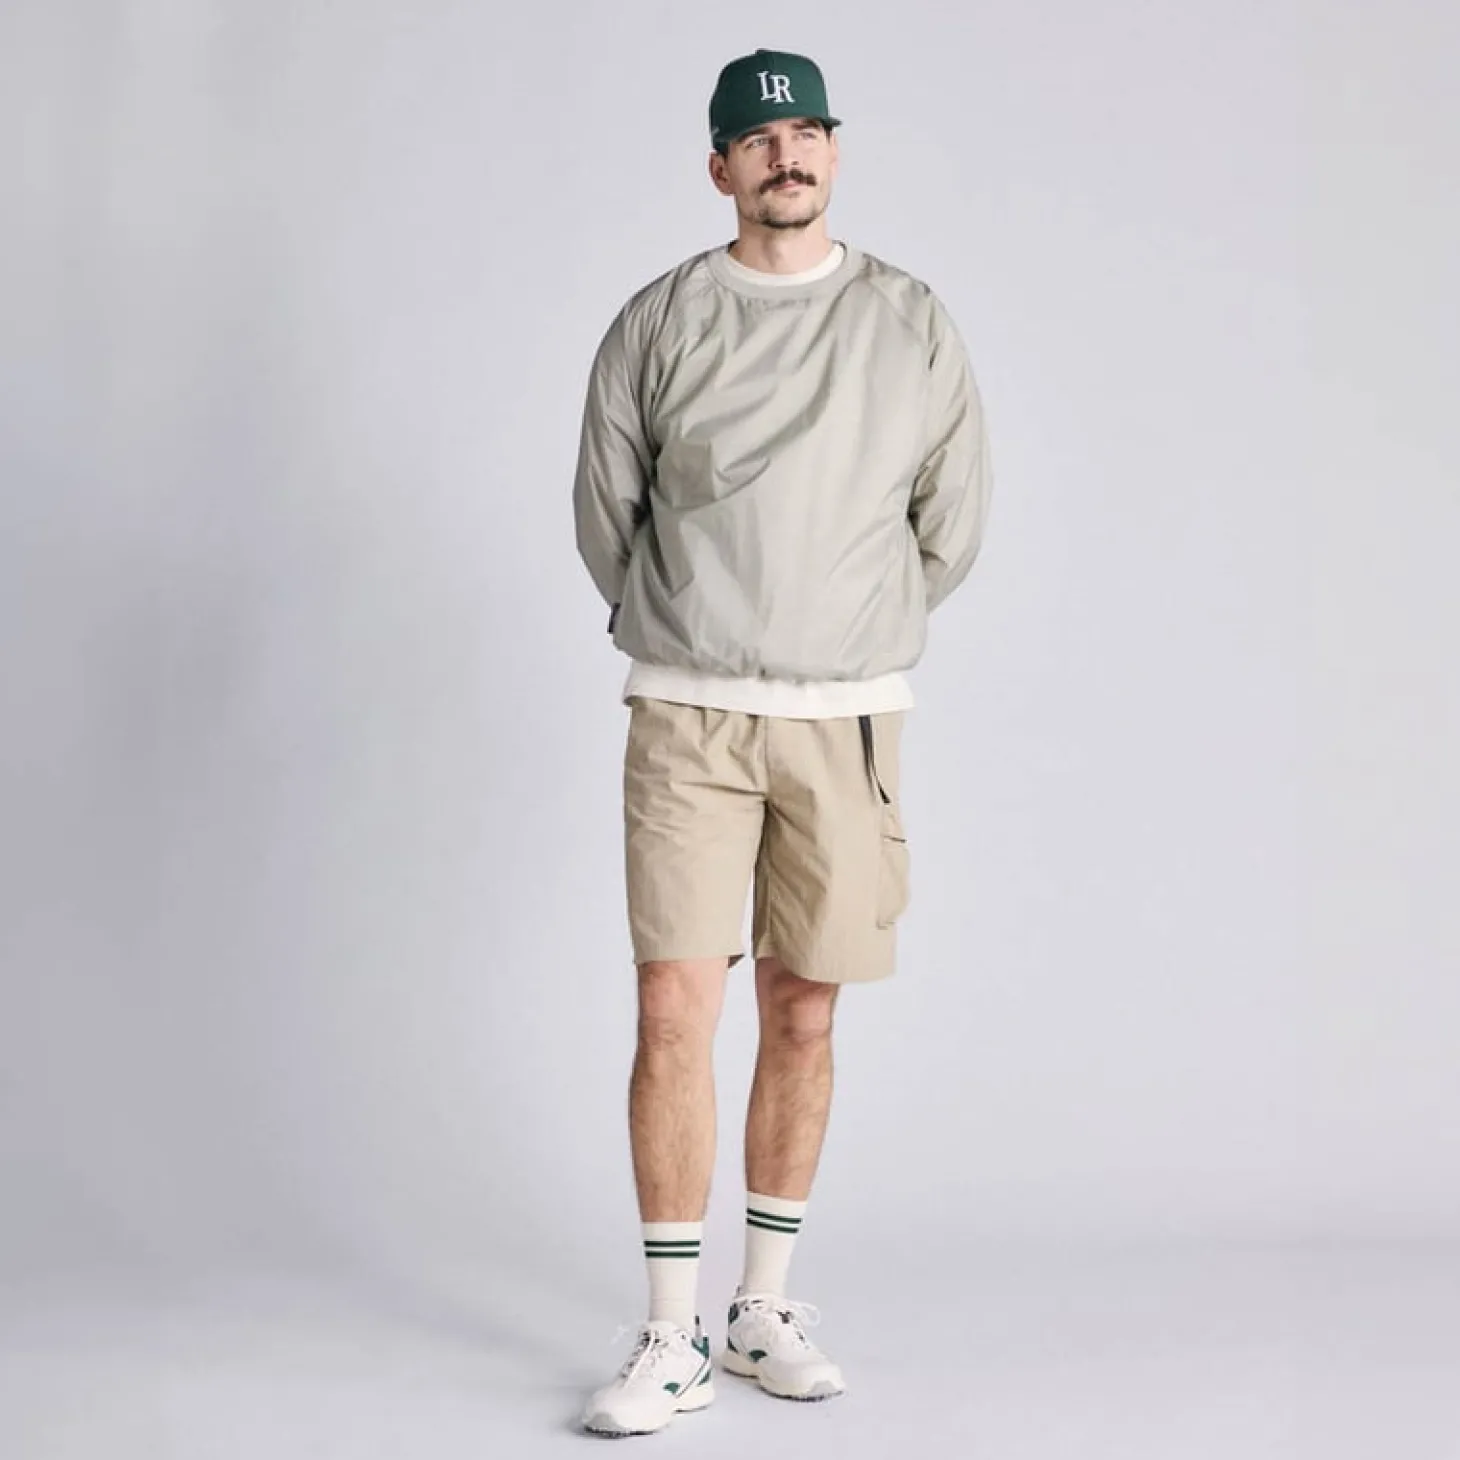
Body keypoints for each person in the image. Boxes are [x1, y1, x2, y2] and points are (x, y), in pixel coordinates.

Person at [572, 47, 993, 1438]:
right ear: (719, 166)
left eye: (806, 131)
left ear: (834, 151)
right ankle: (671, 1333)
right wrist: (699, 620)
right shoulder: (662, 320)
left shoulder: (907, 321)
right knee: (673, 1010)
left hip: (844, 716)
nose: (785, 155)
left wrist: (844, 625)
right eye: (758, 140)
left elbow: (950, 521)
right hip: (688, 712)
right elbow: (607, 512)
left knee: (806, 1010)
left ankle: (763, 1307)